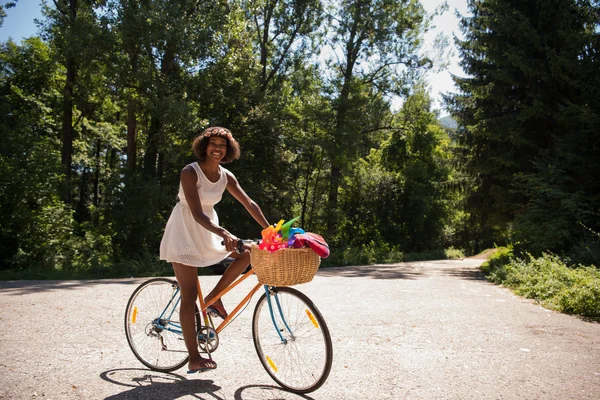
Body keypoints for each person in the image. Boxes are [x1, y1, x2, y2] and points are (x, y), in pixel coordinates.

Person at [159, 126, 270, 373]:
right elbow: (196, 213)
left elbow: (249, 203)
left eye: (223, 145)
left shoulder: (226, 176)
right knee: (188, 296)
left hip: (209, 228)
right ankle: (193, 357)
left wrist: (269, 229)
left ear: (228, 150)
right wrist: (226, 234)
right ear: (204, 147)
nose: (218, 148)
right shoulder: (190, 172)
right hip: (186, 229)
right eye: (213, 144)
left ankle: (213, 298)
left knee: (247, 253)